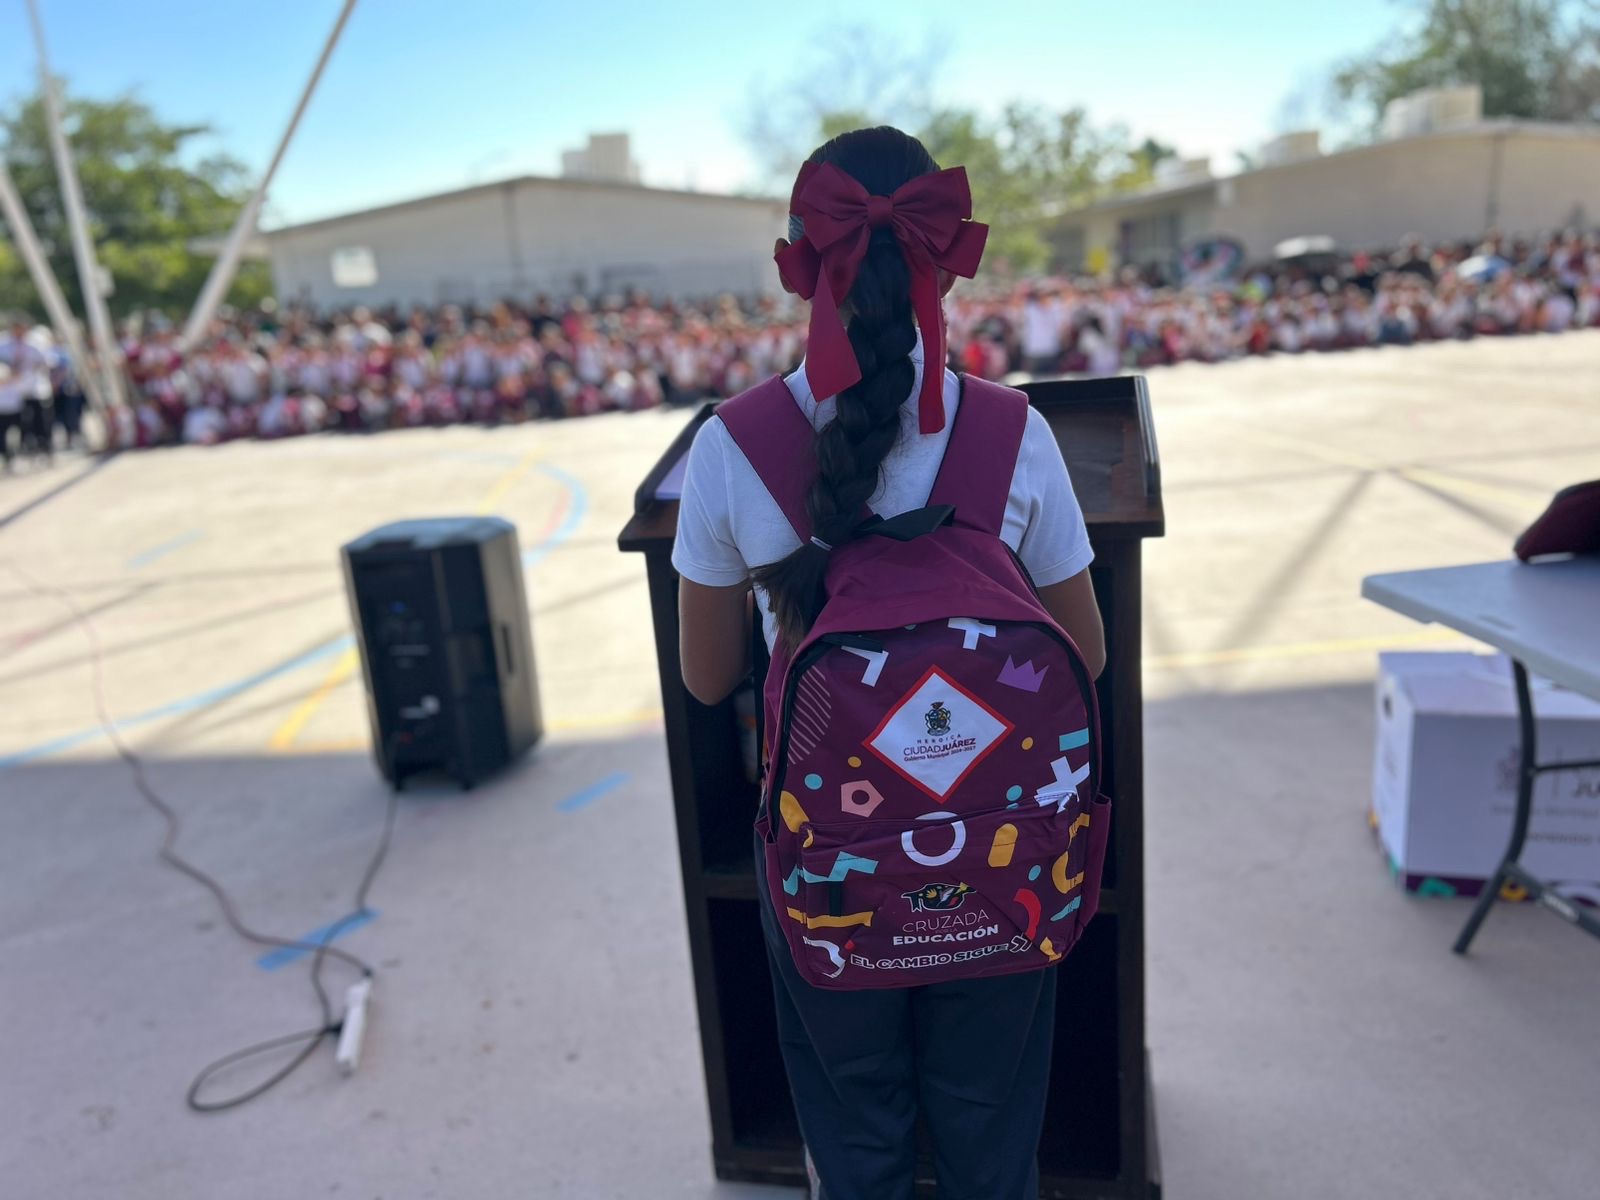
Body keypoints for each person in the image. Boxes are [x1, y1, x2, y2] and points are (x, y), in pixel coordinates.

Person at [671, 126, 1106, 1200]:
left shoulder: (734, 445)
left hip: (831, 862)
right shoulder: (1017, 431)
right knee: (988, 1118)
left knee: (856, 1120)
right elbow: (1082, 657)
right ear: (947, 257)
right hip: (1008, 860)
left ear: (799, 263)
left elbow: (705, 674)